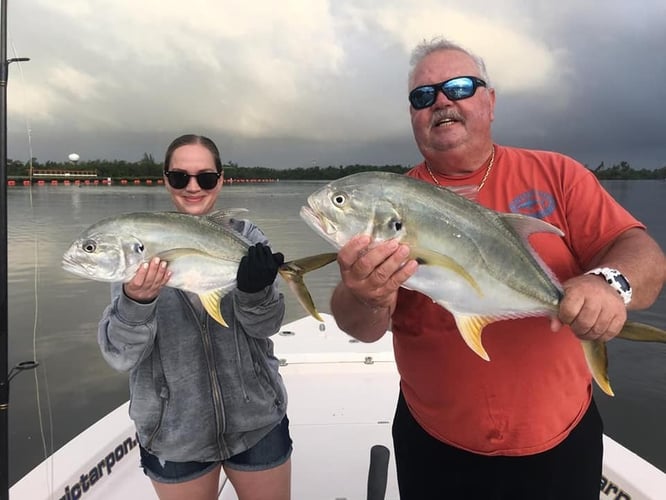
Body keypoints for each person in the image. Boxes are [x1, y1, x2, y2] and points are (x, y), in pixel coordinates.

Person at [330, 38, 665, 499]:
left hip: (560, 442)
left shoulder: (558, 175)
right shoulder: (388, 202)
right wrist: (367, 294)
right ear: (413, 116)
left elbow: (641, 253)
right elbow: (361, 328)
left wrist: (609, 283)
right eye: (423, 96)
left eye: (460, 87)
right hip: (434, 443)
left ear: (490, 101)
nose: (442, 101)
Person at [98, 134, 292, 500]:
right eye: (179, 177)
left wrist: (256, 292)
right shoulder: (138, 245)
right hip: (174, 435)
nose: (192, 187)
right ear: (165, 180)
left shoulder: (247, 238)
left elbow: (267, 327)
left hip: (258, 424)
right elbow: (120, 355)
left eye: (204, 178)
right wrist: (136, 300)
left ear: (220, 180)